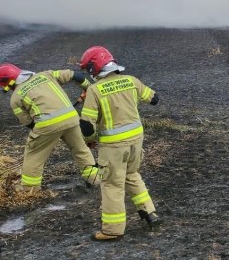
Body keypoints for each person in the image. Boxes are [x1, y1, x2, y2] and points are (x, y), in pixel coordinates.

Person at [77, 46, 162, 241]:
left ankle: (113, 230)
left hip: (113, 147)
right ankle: (150, 213)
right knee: (132, 174)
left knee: (112, 186)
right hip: (136, 142)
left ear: (94, 68)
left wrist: (89, 142)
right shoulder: (131, 81)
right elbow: (154, 99)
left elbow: (87, 126)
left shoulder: (95, 90)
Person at [0, 63, 100, 192]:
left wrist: (45, 137)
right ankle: (96, 180)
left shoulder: (15, 98)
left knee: (33, 156)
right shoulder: (46, 75)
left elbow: (29, 123)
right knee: (81, 150)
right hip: (71, 118)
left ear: (8, 84)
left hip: (46, 126)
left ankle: (29, 190)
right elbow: (75, 75)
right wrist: (88, 88)